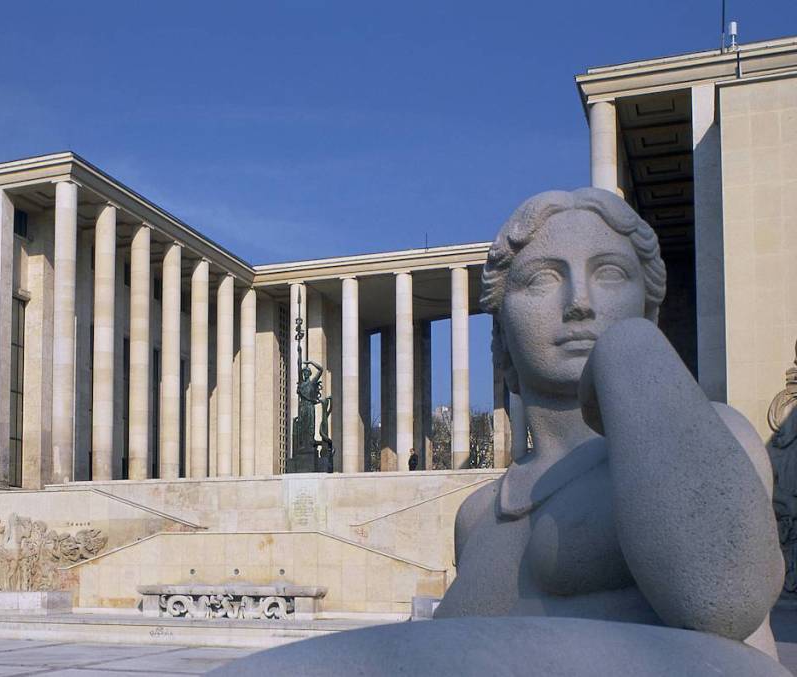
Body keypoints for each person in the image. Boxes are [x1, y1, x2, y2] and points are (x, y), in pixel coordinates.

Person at [212, 188, 787, 676]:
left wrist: (632, 352)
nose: (580, 303)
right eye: (542, 279)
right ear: (502, 329)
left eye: (609, 274)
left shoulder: (713, 440)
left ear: (650, 308)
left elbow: (725, 597)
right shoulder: (479, 514)